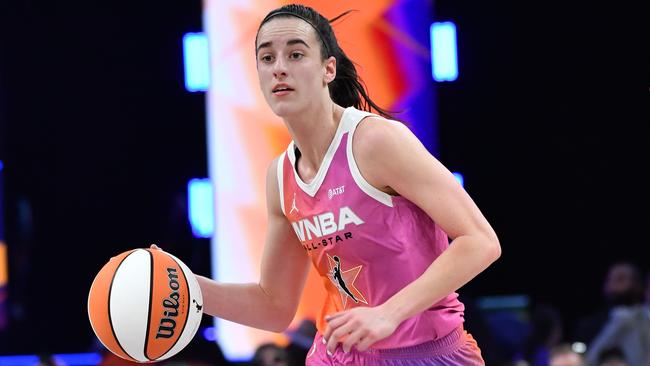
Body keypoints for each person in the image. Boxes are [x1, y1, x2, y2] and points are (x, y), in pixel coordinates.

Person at [185, 4, 500, 365]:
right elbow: (273, 307)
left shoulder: (376, 142)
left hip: (427, 353)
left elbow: (481, 242)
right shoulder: (281, 176)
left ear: (328, 69)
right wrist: (183, 286)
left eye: (296, 54)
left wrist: (389, 313)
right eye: (267, 58)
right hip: (337, 356)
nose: (280, 67)